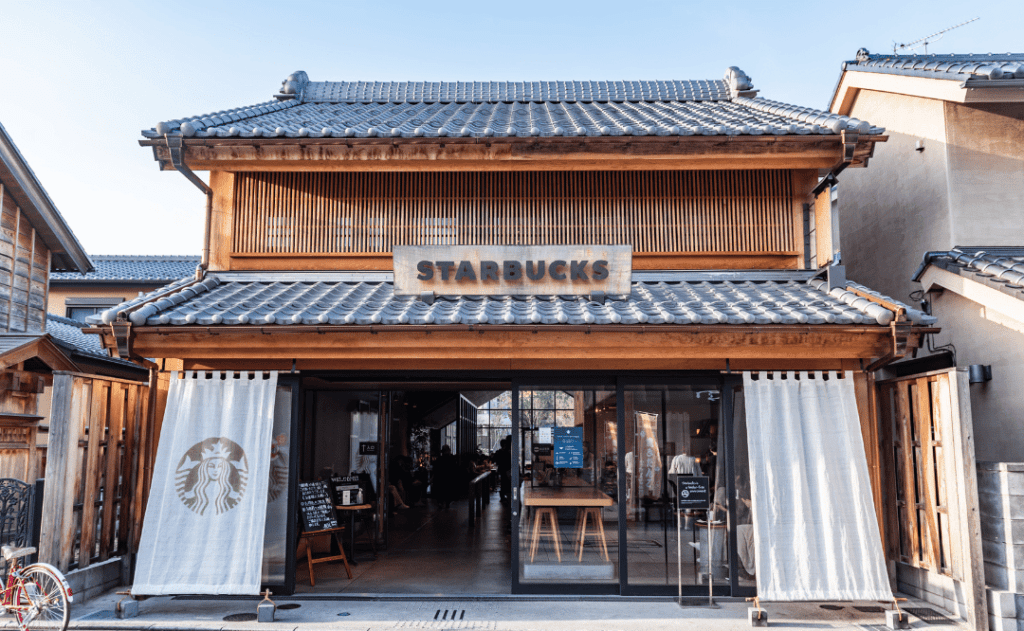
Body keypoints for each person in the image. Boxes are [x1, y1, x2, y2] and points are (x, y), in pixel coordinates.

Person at [494, 436, 512, 503]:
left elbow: (495, 460)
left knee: (504, 483)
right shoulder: (506, 452)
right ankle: (504, 496)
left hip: (502, 469)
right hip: (506, 469)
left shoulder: (499, 452)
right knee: (506, 483)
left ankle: (503, 496)